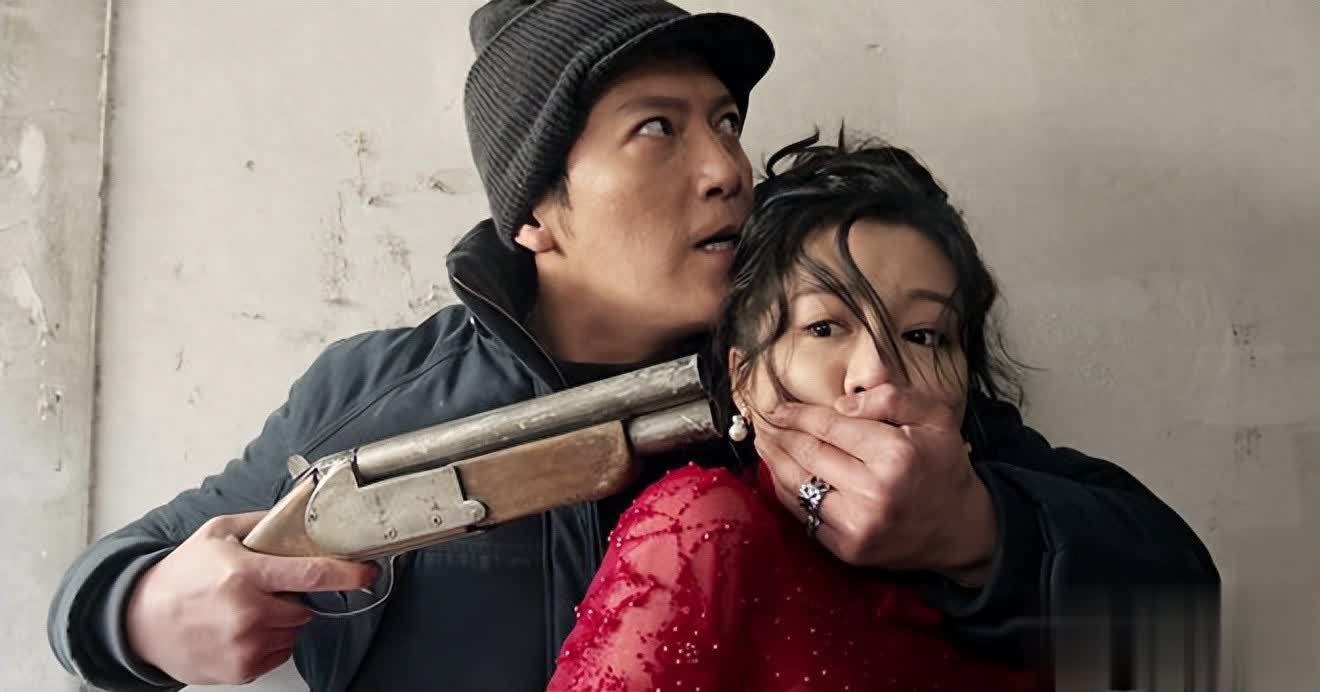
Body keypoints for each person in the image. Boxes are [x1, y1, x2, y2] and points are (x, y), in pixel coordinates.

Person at [46, 2, 1218, 691]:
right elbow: (103, 580)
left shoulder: (826, 362)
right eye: (657, 129)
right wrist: (141, 611)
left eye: (727, 123)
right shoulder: (370, 395)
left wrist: (971, 530)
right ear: (536, 212)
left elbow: (1177, 602)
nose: (728, 168)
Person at [548, 135, 1052, 691]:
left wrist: (973, 535)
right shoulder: (698, 531)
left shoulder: (1027, 524)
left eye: (924, 336)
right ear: (742, 377)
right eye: (823, 327)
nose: (876, 373)